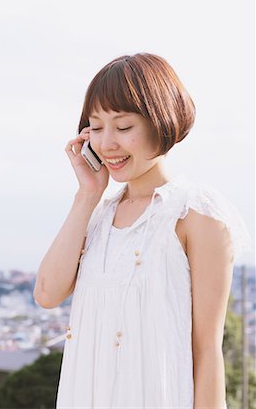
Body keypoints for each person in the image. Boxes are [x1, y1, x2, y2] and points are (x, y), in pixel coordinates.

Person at [33, 53, 252, 408]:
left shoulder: (195, 212)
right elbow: (46, 294)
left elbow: (206, 351)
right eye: (96, 126)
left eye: (123, 127)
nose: (106, 144)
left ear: (161, 122)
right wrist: (87, 194)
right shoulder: (98, 212)